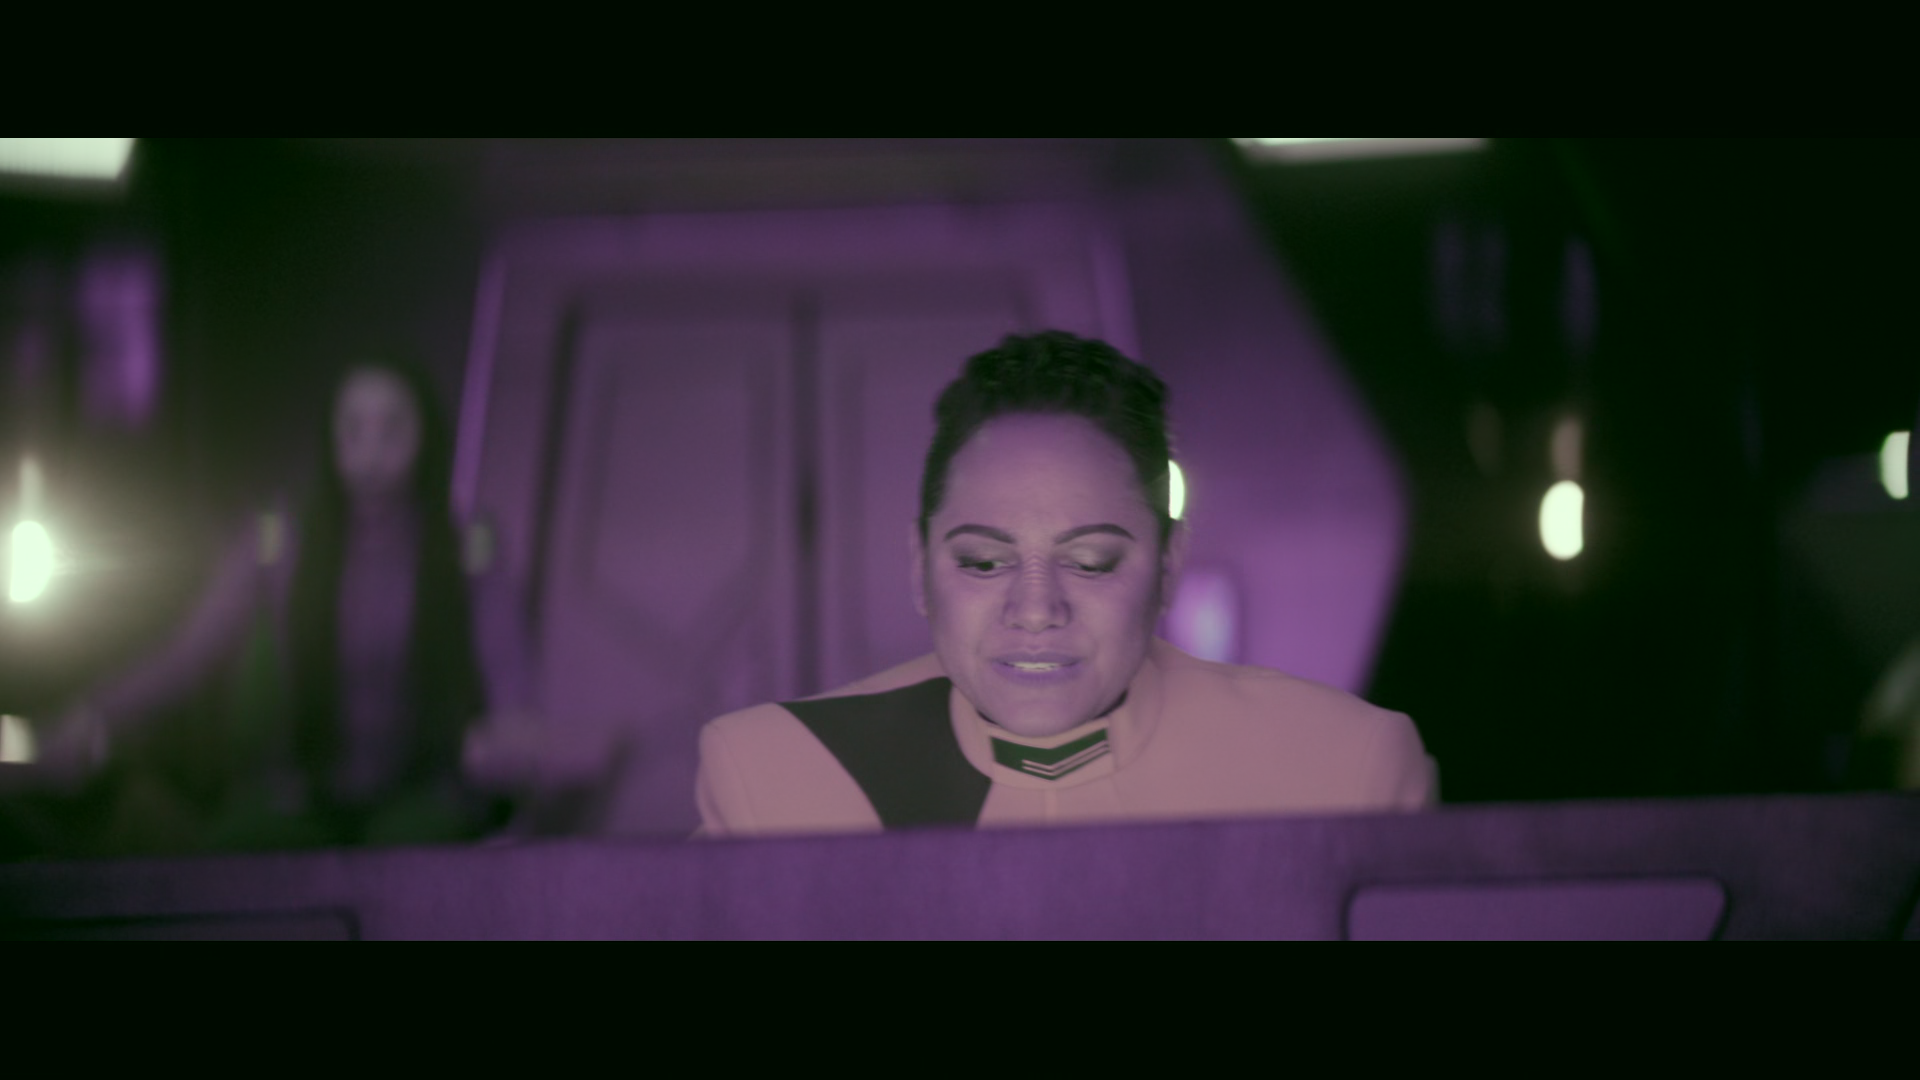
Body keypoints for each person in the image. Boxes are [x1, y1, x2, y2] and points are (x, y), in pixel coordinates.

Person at [694, 331, 1436, 837]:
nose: (1036, 610)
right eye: (983, 562)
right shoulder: (782, 783)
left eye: (1091, 561)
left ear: (1168, 567)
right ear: (920, 569)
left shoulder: (1341, 772)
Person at [34, 359, 574, 849]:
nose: (371, 451)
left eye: (392, 428)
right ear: (331, 436)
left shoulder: (467, 547)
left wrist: (513, 737)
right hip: (299, 791)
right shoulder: (280, 541)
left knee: (411, 854)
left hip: (426, 791)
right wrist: (93, 713)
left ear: (425, 435)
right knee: (235, 850)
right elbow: (189, 653)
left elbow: (510, 672)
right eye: (354, 429)